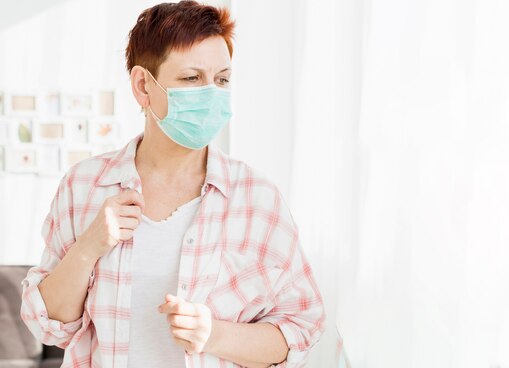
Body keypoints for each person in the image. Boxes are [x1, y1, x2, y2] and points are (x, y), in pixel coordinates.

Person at [19, 2, 326, 367]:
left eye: (222, 79)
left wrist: (215, 335)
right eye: (192, 78)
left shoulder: (258, 199)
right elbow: (49, 327)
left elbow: (300, 332)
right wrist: (87, 248)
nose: (211, 93)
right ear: (143, 86)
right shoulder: (83, 185)